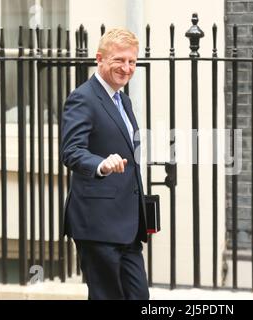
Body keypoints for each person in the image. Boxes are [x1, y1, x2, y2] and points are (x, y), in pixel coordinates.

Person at [61, 28, 149, 300]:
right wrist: (101, 164)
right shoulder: (83, 98)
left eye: (132, 61)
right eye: (119, 60)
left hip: (127, 226)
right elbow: (72, 150)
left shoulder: (123, 100)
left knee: (139, 296)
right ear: (100, 59)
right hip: (97, 223)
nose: (127, 68)